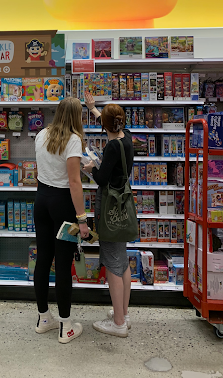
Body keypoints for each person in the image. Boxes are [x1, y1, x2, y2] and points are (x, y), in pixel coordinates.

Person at [34, 97, 90, 344]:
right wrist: (82, 219)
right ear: (76, 116)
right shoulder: (74, 139)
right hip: (62, 204)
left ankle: (44, 318)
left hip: (42, 200)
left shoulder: (42, 134)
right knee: (64, 264)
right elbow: (74, 182)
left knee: (43, 259)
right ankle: (66, 326)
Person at [83, 91, 134, 338]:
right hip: (123, 203)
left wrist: (92, 167)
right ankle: (122, 313)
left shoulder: (112, 146)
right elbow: (110, 124)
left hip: (110, 204)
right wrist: (94, 108)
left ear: (105, 125)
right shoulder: (127, 138)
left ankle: (118, 324)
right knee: (122, 259)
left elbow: (102, 179)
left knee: (112, 263)